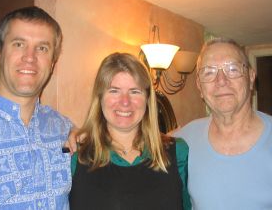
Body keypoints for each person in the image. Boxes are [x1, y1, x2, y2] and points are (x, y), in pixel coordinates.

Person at [0, 6, 73, 209]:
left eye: (42, 48)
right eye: (18, 44)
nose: (30, 57)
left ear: (52, 63)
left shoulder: (63, 128)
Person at [173, 38, 272, 209]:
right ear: (199, 86)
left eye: (232, 69)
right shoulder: (184, 141)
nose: (221, 80)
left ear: (250, 77)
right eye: (209, 72)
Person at [69, 52, 191, 210]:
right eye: (114, 91)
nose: (125, 102)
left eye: (135, 91)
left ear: (147, 99)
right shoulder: (75, 157)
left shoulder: (178, 152)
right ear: (100, 98)